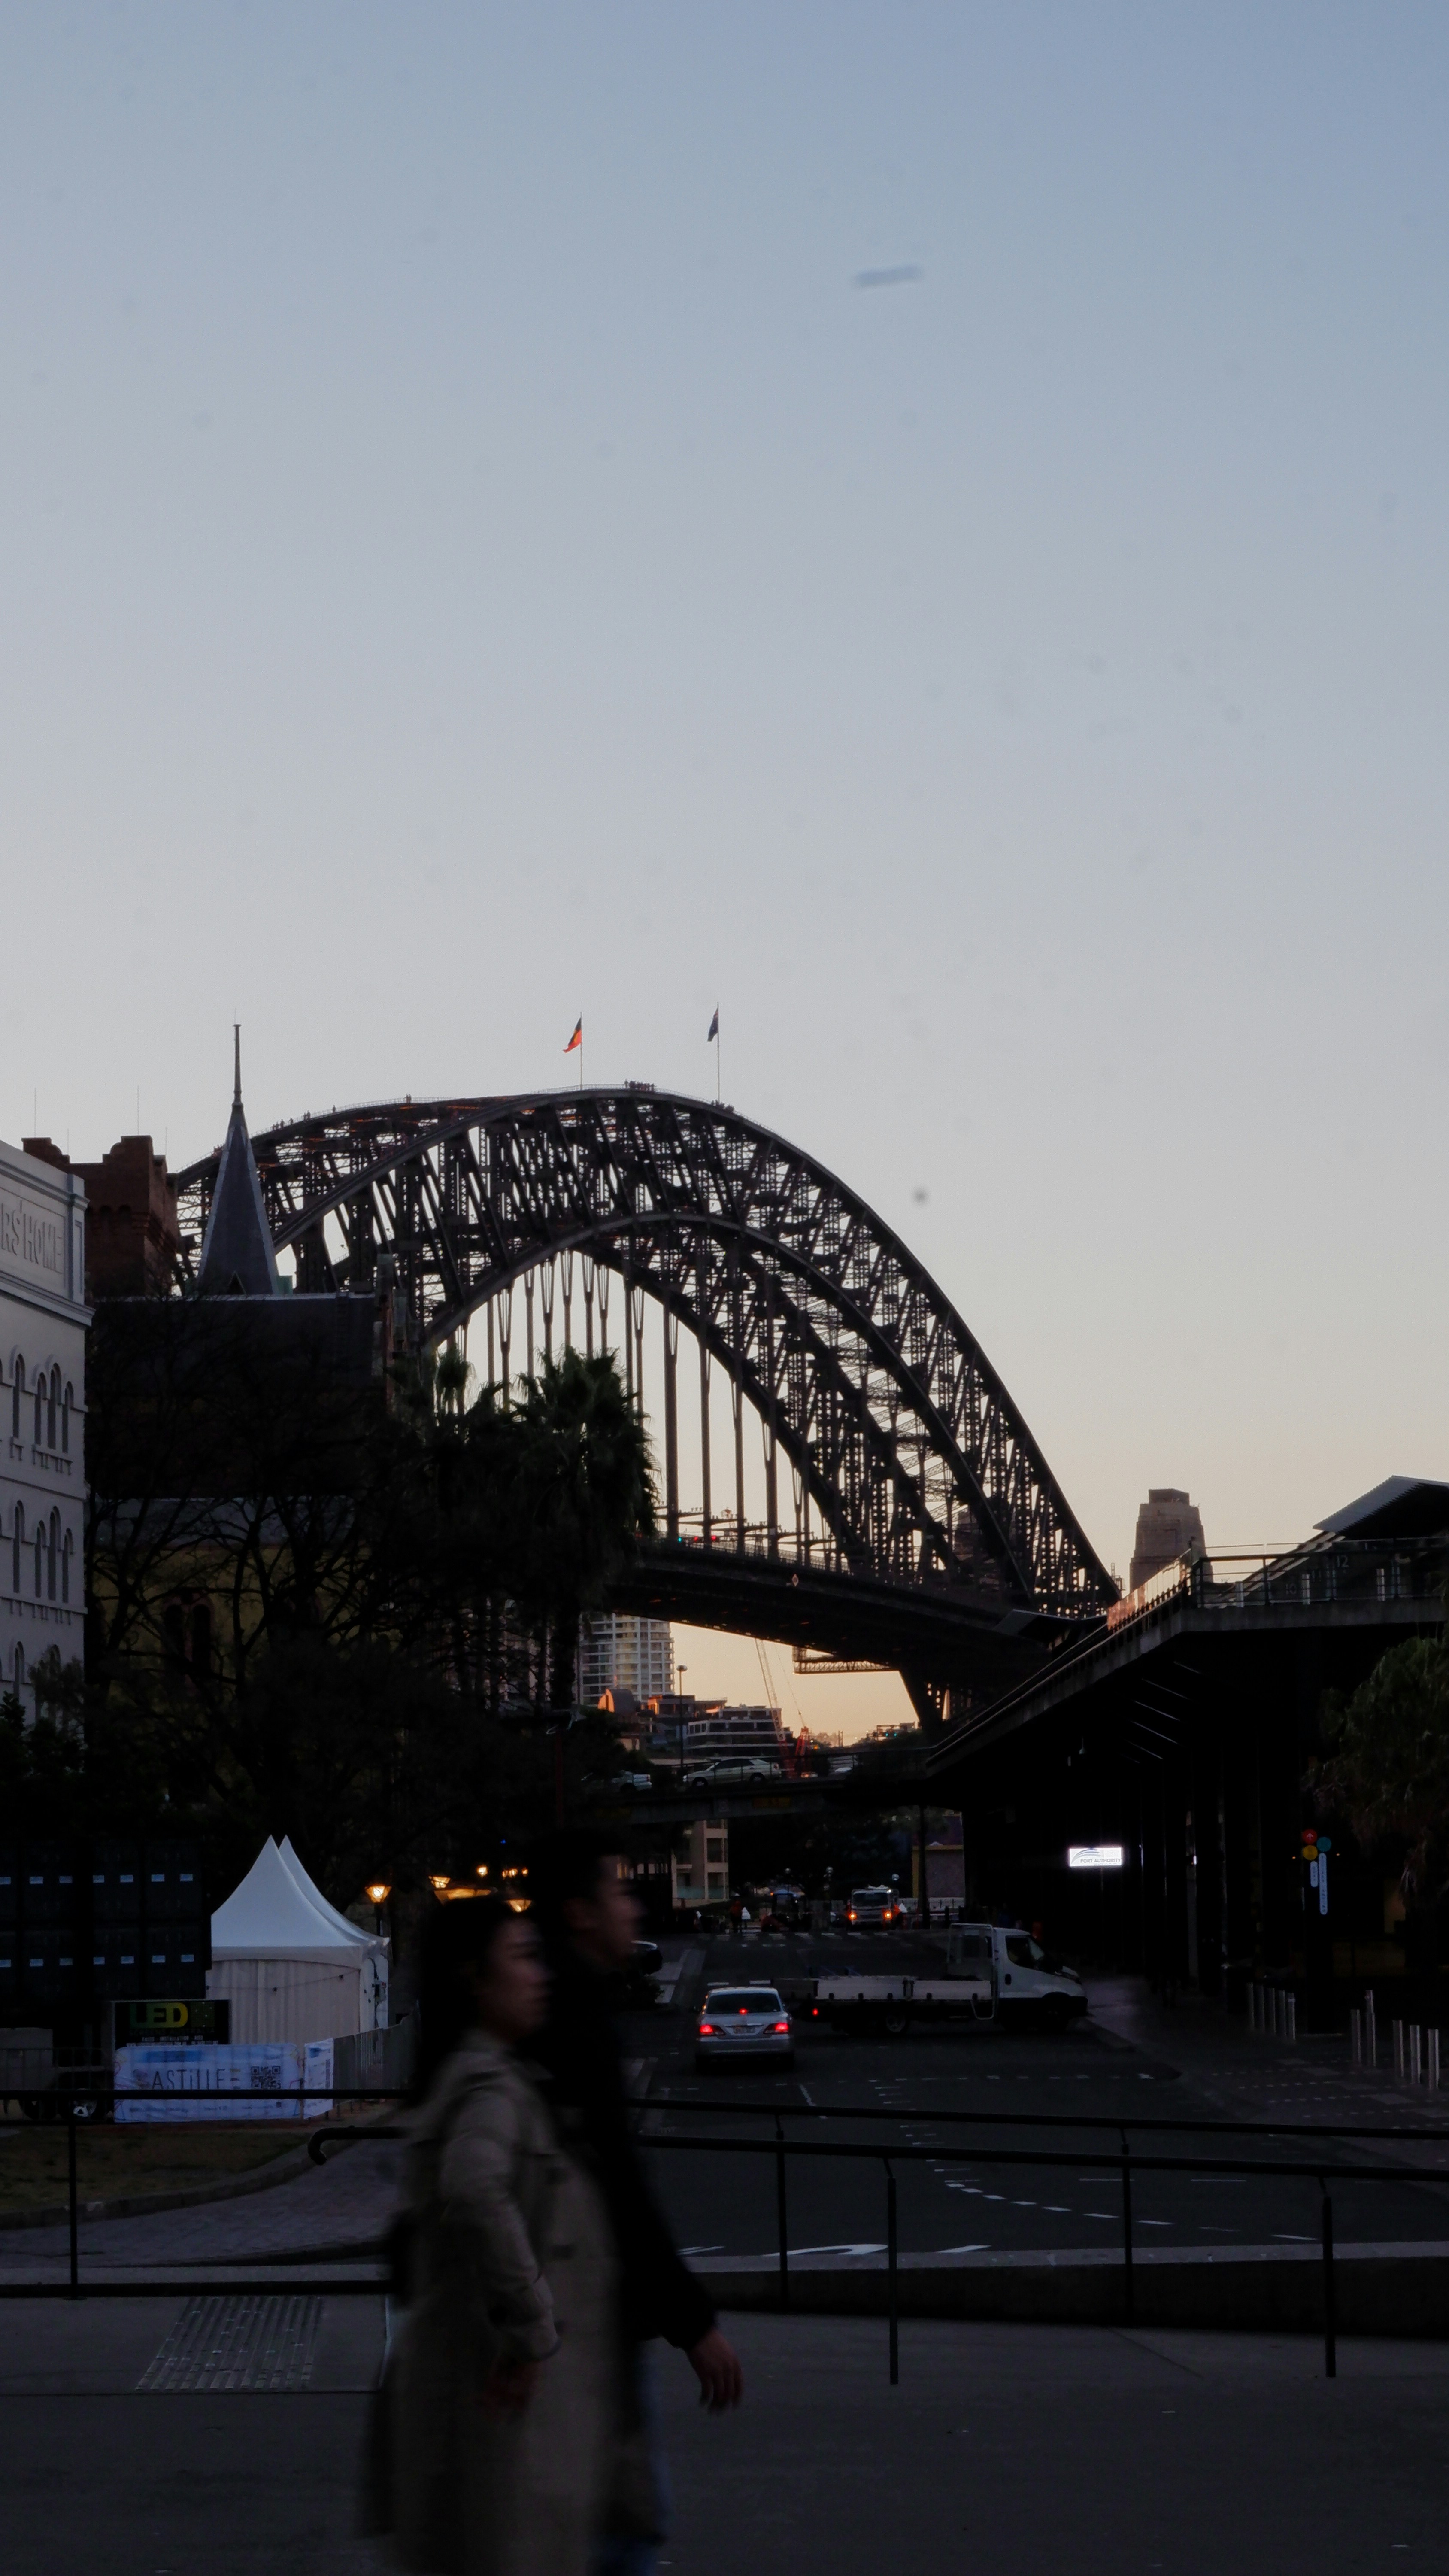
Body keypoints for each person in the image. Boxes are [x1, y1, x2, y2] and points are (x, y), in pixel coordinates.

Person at [530, 1831, 743, 2576]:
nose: (633, 1906)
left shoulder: (562, 2004)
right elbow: (617, 2182)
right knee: (623, 2524)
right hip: (589, 2311)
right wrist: (694, 2324)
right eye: (618, 1892)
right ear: (581, 1913)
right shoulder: (574, 2016)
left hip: (574, 2308)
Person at [388, 1895, 621, 2576]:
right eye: (521, 1958)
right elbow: (473, 2186)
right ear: (476, 1980)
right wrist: (530, 2328)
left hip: (471, 2405)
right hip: (495, 2416)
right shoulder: (490, 2086)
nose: (540, 1974)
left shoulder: (480, 2076)